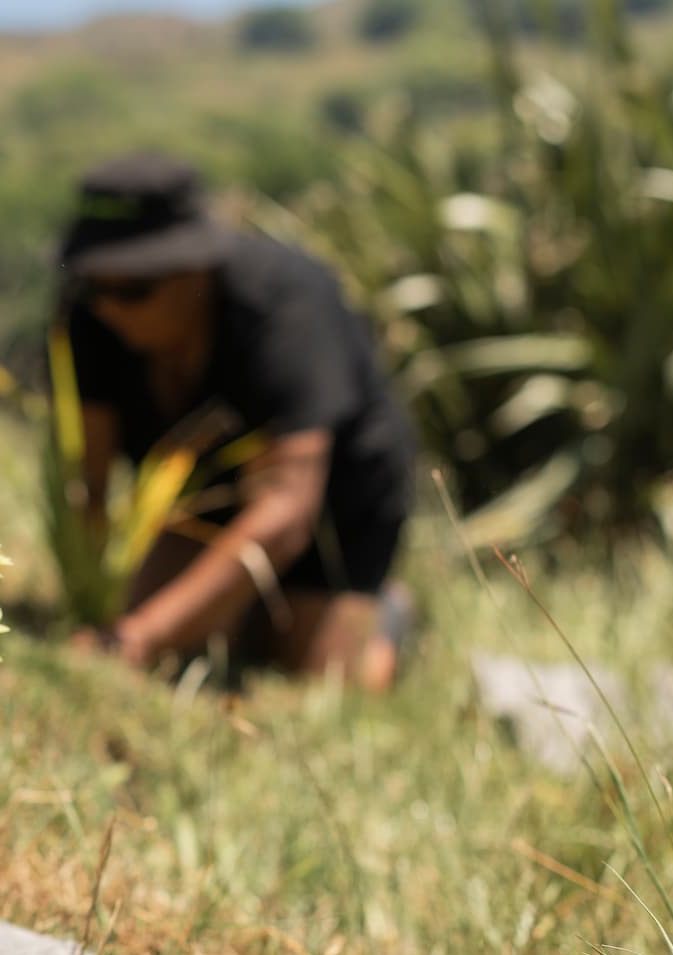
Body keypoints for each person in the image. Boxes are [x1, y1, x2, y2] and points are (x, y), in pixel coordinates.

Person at [55, 152, 414, 691]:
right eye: (93, 286)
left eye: (133, 290)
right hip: (208, 500)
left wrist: (139, 637)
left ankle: (384, 611)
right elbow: (90, 477)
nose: (110, 309)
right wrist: (97, 596)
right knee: (196, 633)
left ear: (195, 270)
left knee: (329, 678)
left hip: (335, 504)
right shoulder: (92, 317)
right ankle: (249, 617)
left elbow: (288, 511)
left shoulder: (287, 306)